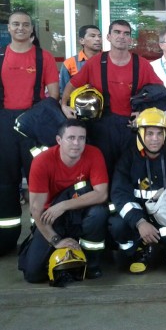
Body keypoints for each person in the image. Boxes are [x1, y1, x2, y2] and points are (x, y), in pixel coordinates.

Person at [61, 20, 163, 179]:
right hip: (102, 128)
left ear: (130, 39)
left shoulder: (142, 64)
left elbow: (160, 94)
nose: (121, 36)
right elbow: (72, 84)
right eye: (117, 32)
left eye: (126, 33)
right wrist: (63, 105)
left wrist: (144, 112)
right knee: (103, 172)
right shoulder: (95, 62)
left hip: (131, 128)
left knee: (131, 173)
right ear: (108, 37)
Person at [109, 108, 166, 275]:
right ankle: (135, 251)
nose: (155, 139)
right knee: (117, 225)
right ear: (140, 134)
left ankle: (161, 249)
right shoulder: (128, 159)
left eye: (159, 134)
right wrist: (140, 222)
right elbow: (119, 194)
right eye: (150, 133)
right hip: (140, 222)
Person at [0, 10, 59, 255]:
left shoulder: (44, 57)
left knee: (40, 181)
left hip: (35, 127)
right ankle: (5, 239)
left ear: (32, 29)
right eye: (16, 24)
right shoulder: (1, 56)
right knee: (5, 183)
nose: (21, 28)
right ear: (8, 28)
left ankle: (40, 236)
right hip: (4, 126)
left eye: (25, 24)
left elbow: (53, 95)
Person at [19, 119, 108, 283]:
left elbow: (101, 194)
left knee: (99, 212)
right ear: (59, 140)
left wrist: (64, 205)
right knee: (33, 275)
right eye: (71, 138)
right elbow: (36, 209)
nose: (76, 143)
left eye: (81, 138)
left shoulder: (94, 154)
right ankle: (61, 253)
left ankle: (91, 263)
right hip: (51, 217)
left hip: (79, 213)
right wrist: (56, 241)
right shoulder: (42, 161)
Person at [59, 24, 102, 95]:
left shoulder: (109, 59)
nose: (98, 39)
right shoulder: (69, 63)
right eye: (93, 36)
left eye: (100, 36)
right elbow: (63, 91)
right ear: (82, 40)